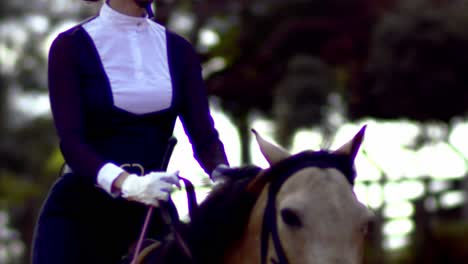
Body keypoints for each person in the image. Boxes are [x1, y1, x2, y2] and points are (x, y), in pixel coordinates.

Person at [31, 0, 229, 263]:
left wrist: (228, 179)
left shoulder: (179, 50)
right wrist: (129, 183)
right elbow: (72, 143)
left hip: (149, 213)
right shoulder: (70, 46)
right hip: (80, 215)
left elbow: (204, 137)